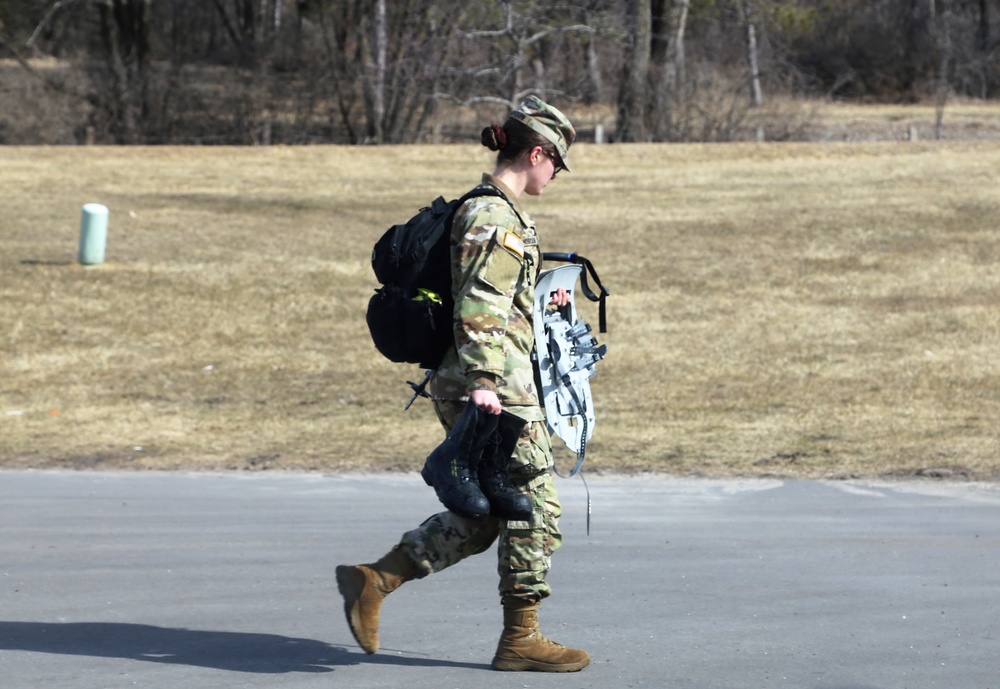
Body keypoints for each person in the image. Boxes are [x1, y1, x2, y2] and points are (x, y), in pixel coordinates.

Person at [336, 96, 588, 673]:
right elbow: (480, 303)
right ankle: (521, 639)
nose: (556, 174)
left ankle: (377, 580)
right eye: (556, 162)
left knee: (485, 514)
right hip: (494, 386)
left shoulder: (492, 211)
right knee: (534, 503)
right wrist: (484, 382)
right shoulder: (493, 216)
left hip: (488, 377)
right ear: (537, 153)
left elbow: (499, 302)